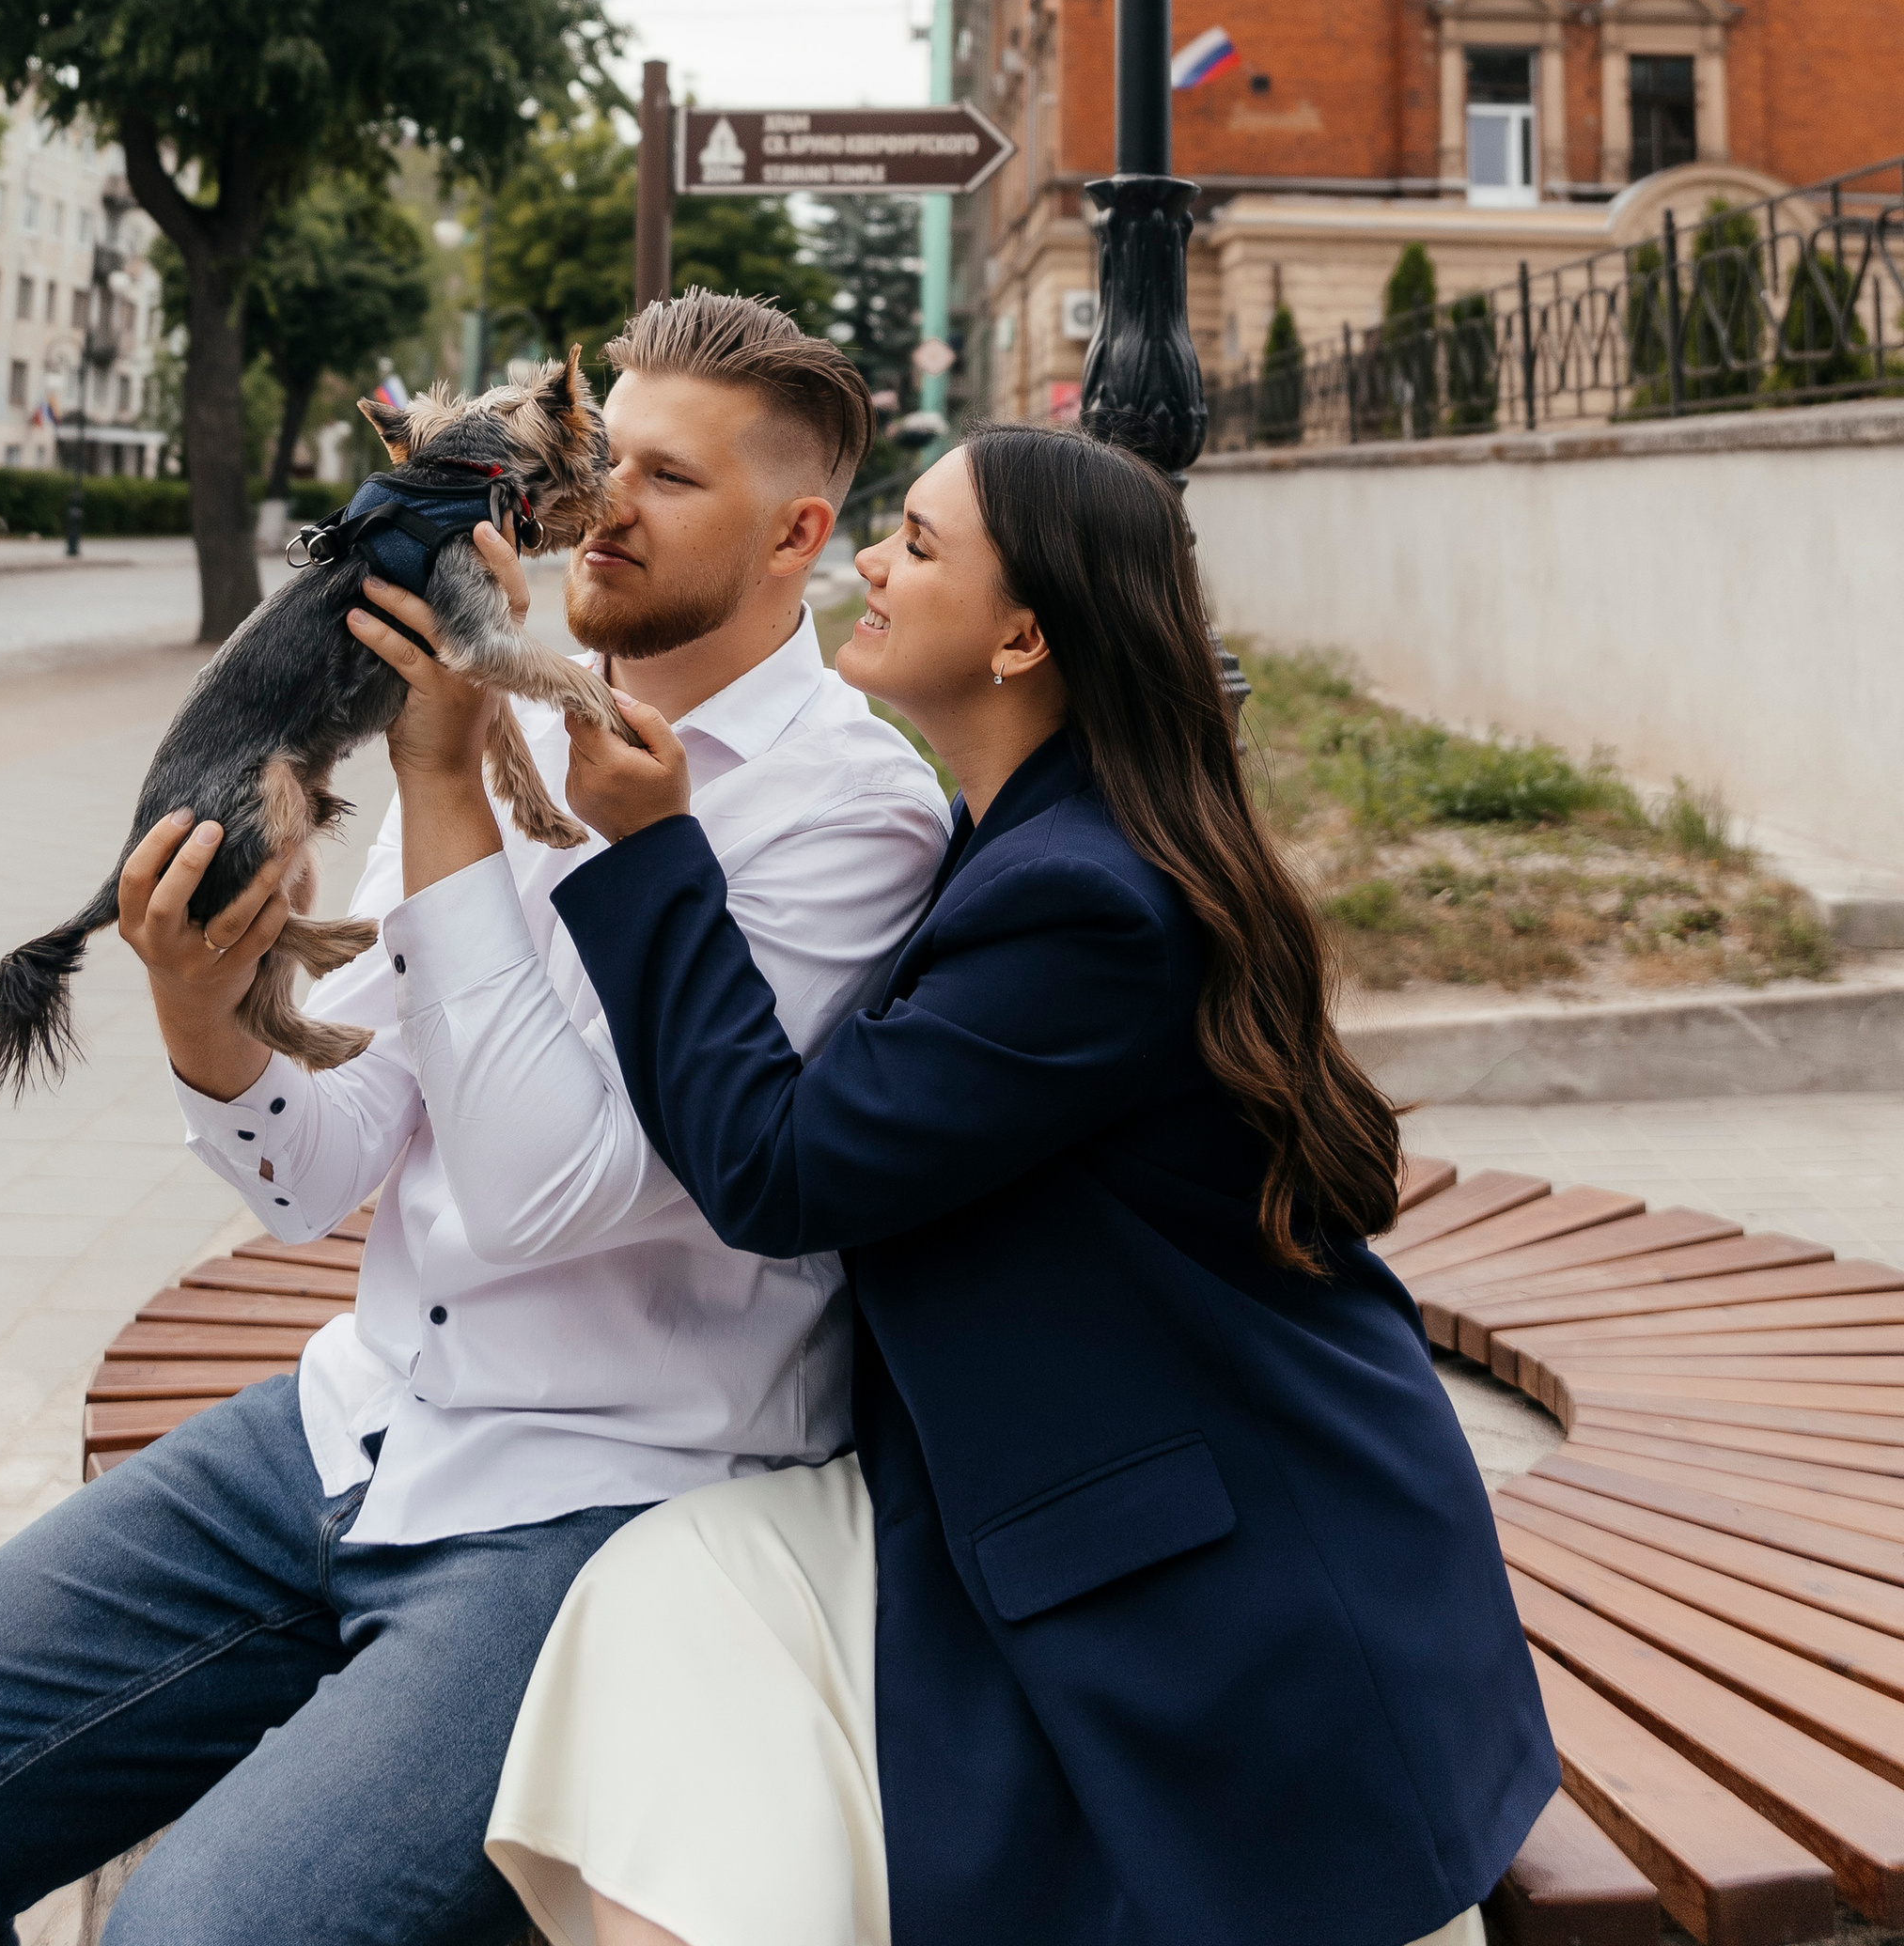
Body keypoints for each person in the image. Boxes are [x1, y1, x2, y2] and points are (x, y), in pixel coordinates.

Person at [0, 291, 952, 1946]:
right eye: (603, 455)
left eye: (665, 478)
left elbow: (540, 1199)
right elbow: (322, 1169)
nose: (596, 499)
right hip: (353, 1421)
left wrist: (445, 784)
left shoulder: (849, 813)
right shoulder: (512, 697)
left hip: (597, 1506)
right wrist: (200, 1011)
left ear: (797, 534)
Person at [469, 424, 1558, 1946]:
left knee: (685, 1668)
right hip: (1041, 1485)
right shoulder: (1034, 843)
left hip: (1226, 1602)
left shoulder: (1081, 904)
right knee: (660, 1621)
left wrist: (656, 855)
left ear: (1025, 633)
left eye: (915, 543)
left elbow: (783, 1172)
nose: (869, 562)